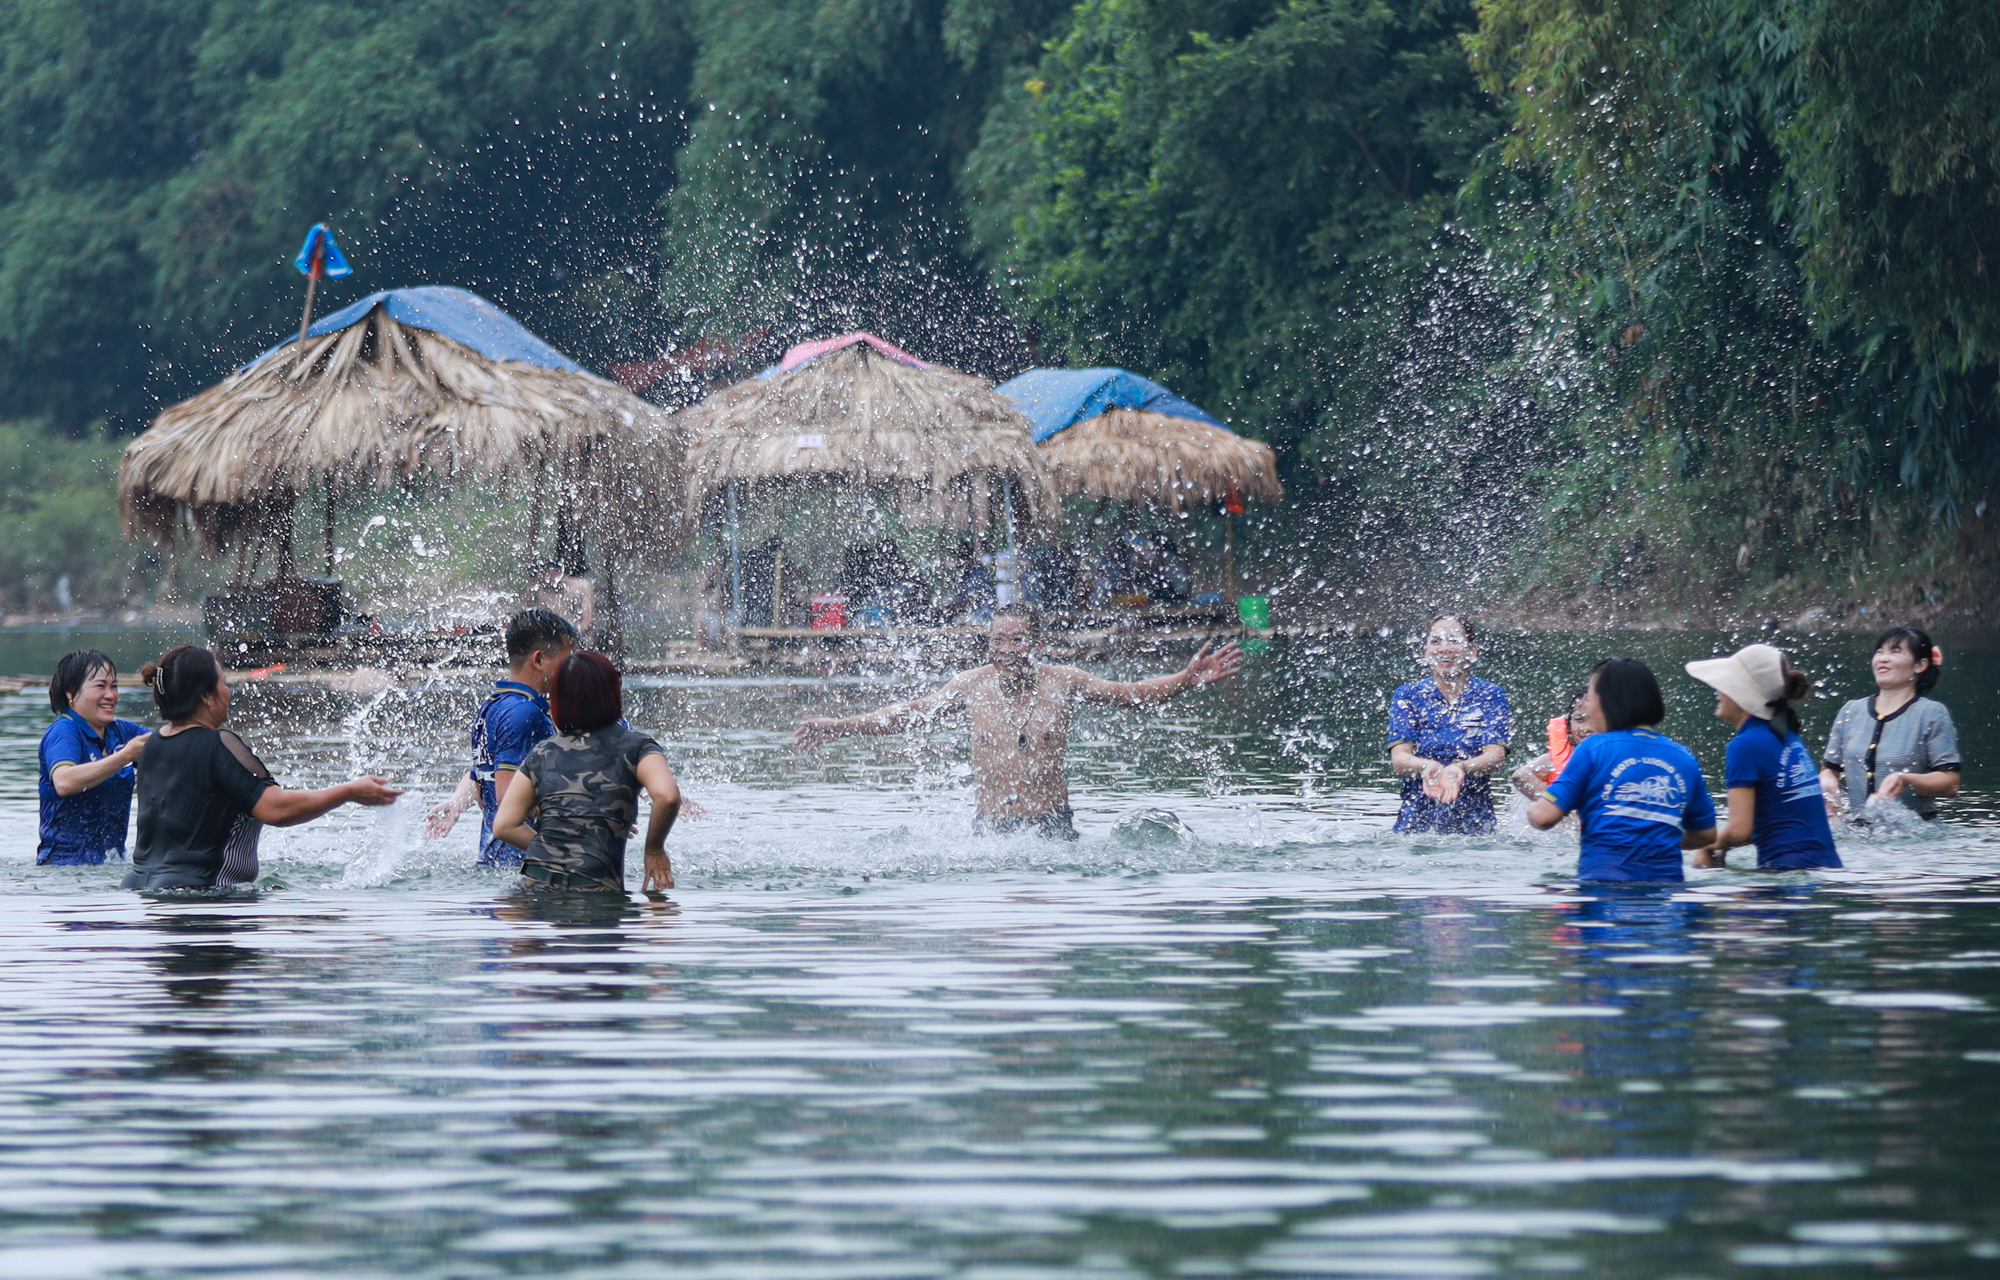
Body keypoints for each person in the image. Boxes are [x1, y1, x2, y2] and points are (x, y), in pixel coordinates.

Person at [794, 607, 1243, 840]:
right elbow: (908, 714)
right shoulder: (971, 685)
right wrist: (843, 724)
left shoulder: (1064, 682)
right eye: (997, 639)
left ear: (1036, 642)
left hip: (1052, 825)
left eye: (1016, 639)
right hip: (990, 829)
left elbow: (1131, 696)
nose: (1006, 648)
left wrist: (1185, 679)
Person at [125, 645, 402, 893]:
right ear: (206, 696)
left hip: (142, 893)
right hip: (200, 897)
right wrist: (349, 791)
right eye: (223, 683)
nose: (228, 691)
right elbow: (276, 808)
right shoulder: (218, 744)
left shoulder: (152, 746)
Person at [492, 651, 681, 893]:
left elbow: (504, 825)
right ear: (613, 692)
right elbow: (667, 796)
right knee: (662, 916)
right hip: (595, 891)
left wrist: (555, 856)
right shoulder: (637, 747)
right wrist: (654, 849)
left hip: (532, 885)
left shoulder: (541, 752)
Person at [1527, 658, 1717, 882]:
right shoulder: (1683, 756)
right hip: (1666, 896)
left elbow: (1543, 817)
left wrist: (1533, 810)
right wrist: (1653, 835)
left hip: (1602, 891)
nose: (1586, 706)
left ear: (1607, 702)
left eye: (1590, 697)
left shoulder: (1593, 749)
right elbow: (1706, 834)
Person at [425, 609, 580, 864]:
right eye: (568, 660)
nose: (574, 670)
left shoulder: (494, 705)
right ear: (539, 660)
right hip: (522, 864)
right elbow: (509, 799)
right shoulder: (525, 712)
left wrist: (456, 802)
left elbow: (487, 773)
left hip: (496, 859)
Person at [1683, 644, 1841, 871]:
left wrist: (1706, 847)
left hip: (1785, 875)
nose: (1717, 692)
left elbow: (1739, 831)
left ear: (1740, 695)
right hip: (1825, 868)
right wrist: (1722, 847)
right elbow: (1774, 823)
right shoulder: (1787, 736)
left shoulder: (1744, 745)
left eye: (1723, 685)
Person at [1819, 624, 1960, 821]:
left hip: (1916, 837)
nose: (1883, 658)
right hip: (1858, 835)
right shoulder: (1851, 710)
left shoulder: (1931, 713)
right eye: (1879, 651)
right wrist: (1826, 780)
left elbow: (1951, 784)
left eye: (1896, 651)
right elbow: (1830, 768)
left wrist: (1904, 779)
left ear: (1920, 665)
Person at [1387, 615, 1512, 833]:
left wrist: (1460, 768)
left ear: (1472, 651)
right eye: (1436, 641)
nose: (1444, 648)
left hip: (1475, 825)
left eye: (1453, 640)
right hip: (1416, 824)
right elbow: (1399, 760)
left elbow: (1495, 758)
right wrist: (1428, 767)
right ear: (1425, 651)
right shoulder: (1408, 695)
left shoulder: (1490, 694)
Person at [38, 649, 149, 866]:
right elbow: (64, 781)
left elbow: (171, 746)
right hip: (64, 869)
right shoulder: (64, 731)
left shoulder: (121, 732)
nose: (111, 695)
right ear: (71, 692)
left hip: (112, 863)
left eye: (114, 686)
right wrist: (125, 756)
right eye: (100, 686)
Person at [1510, 685, 1590, 799]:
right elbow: (1521, 776)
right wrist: (1556, 803)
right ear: (1568, 723)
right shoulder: (1555, 760)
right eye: (1579, 720)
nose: (1586, 728)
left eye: (1596, 720)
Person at [525, 559, 595, 635]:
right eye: (542, 578)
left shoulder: (582, 586)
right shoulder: (542, 590)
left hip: (577, 635)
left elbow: (587, 622)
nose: (549, 579)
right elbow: (526, 609)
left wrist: (570, 635)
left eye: (552, 574)